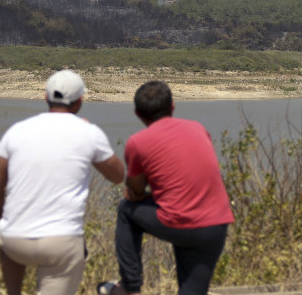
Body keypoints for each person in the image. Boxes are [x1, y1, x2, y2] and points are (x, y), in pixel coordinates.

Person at [0, 70, 124, 295]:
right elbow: (118, 176)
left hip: (14, 238)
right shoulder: (88, 132)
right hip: (61, 241)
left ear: (45, 97)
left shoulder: (17, 130)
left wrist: (0, 223)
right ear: (80, 101)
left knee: (10, 253)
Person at [98, 81, 234, 295]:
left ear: (138, 114)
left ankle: (130, 287)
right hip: (216, 224)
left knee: (126, 210)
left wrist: (139, 190)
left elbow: (135, 191)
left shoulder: (138, 142)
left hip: (179, 222)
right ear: (172, 106)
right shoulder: (198, 128)